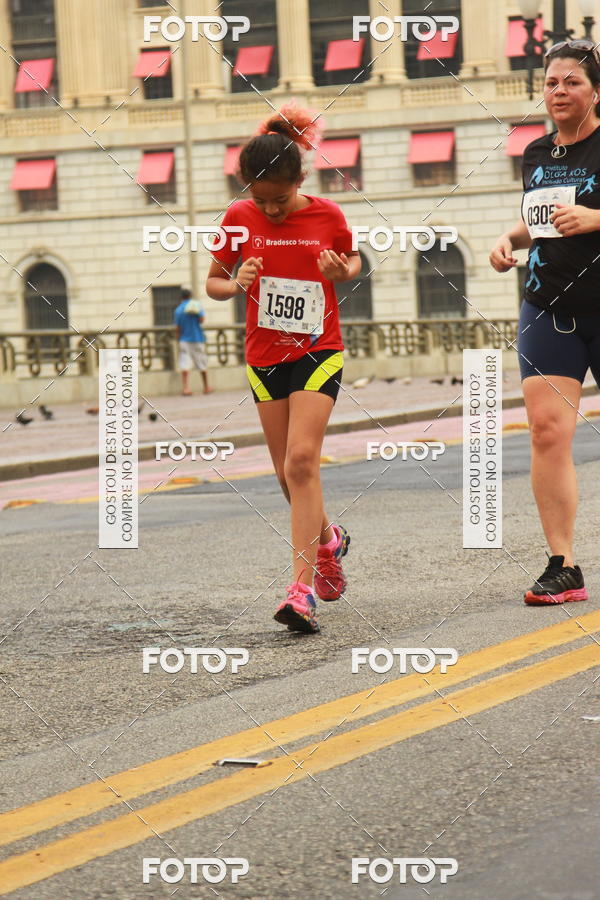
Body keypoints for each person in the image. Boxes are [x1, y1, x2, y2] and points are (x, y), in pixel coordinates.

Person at [206, 104, 361, 633]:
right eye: (260, 200)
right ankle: (328, 539)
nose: (270, 210)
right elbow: (214, 283)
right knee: (284, 475)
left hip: (319, 349)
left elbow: (353, 261)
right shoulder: (236, 220)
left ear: (301, 179)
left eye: (281, 199)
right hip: (264, 355)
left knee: (301, 461)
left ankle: (300, 590)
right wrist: (238, 282)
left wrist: (341, 270)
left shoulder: (327, 215)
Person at [490, 40, 600, 605]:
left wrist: (597, 217)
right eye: (552, 82)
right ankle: (563, 565)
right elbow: (541, 219)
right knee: (546, 431)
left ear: (595, 92)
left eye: (572, 82)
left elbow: (580, 216)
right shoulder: (534, 153)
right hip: (547, 306)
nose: (559, 91)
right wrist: (510, 239)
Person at [173, 287, 213, 395]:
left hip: (184, 340)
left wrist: (178, 338)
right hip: (197, 338)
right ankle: (206, 387)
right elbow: (202, 320)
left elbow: (178, 328)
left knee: (185, 363)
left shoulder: (178, 310)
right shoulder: (196, 306)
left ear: (181, 297)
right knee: (202, 362)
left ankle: (186, 388)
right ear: (190, 295)